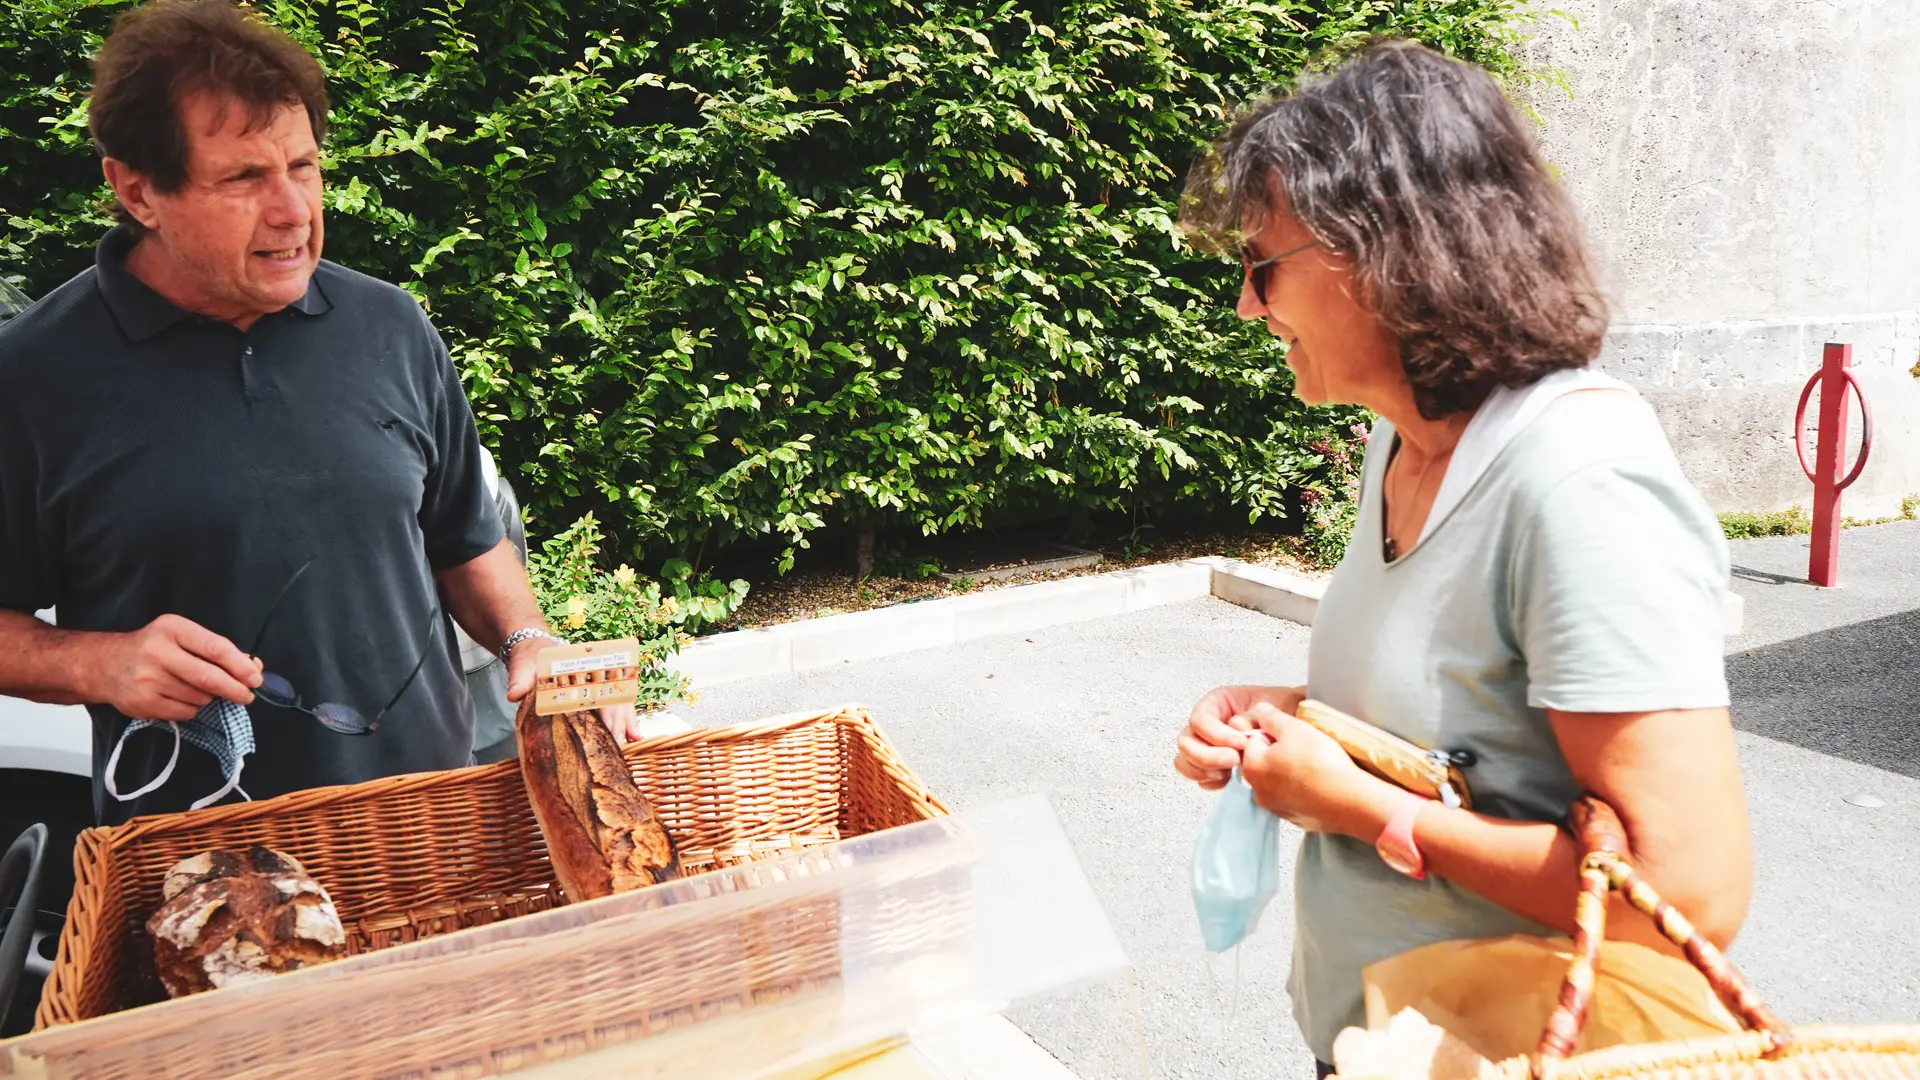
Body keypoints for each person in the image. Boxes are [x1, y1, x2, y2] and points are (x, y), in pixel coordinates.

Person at [1172, 40, 1751, 1073]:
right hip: (1389, 1040)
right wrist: (1292, 718)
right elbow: (1463, 728)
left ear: (1389, 252)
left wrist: (1355, 804)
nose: (1248, 308)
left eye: (1264, 269)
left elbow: (1686, 898)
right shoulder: (1403, 439)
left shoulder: (1578, 483)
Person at [0, 0, 634, 827]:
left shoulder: (389, 326)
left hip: (427, 831)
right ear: (137, 189)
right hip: (204, 875)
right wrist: (99, 664)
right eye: (243, 178)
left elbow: (464, 537)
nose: (294, 209)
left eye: (303, 165)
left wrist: (528, 641)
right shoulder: (34, 375)